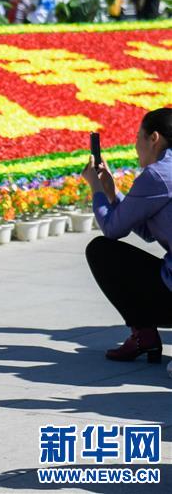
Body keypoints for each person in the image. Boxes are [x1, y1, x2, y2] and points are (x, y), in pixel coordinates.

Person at [82, 108, 172, 363]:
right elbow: (149, 231)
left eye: (137, 137)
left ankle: (143, 333)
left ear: (154, 138)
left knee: (102, 251)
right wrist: (112, 193)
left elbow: (113, 229)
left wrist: (96, 188)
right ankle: (145, 336)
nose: (135, 146)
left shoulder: (158, 175)